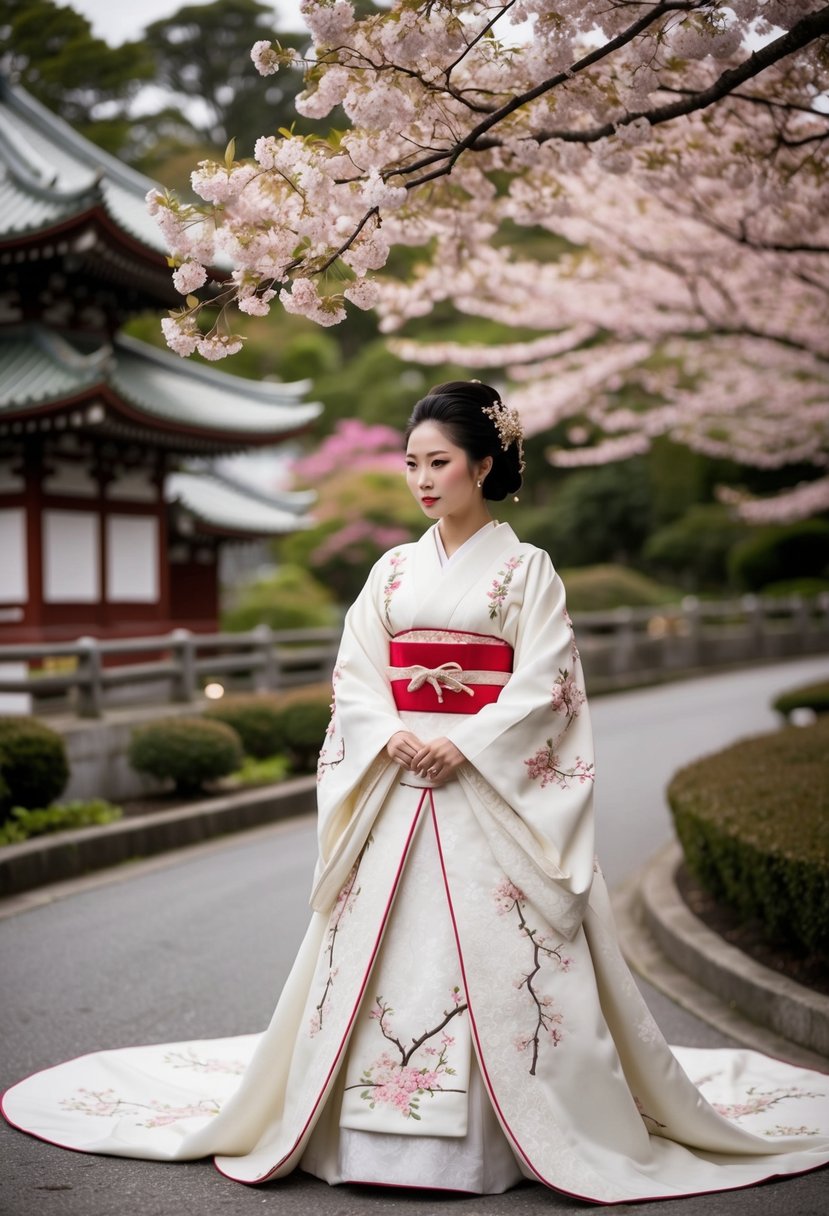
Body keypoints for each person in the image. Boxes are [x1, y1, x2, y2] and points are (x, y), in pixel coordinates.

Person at [3, 380, 829, 1201]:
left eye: (438, 462)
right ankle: (366, 1133)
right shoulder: (393, 570)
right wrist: (388, 732)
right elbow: (356, 673)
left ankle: (504, 1138)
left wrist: (462, 743)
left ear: (483, 463)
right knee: (375, 949)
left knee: (507, 955)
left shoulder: (527, 570)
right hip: (399, 774)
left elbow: (547, 685)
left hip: (482, 785)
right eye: (410, 464)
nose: (421, 479)